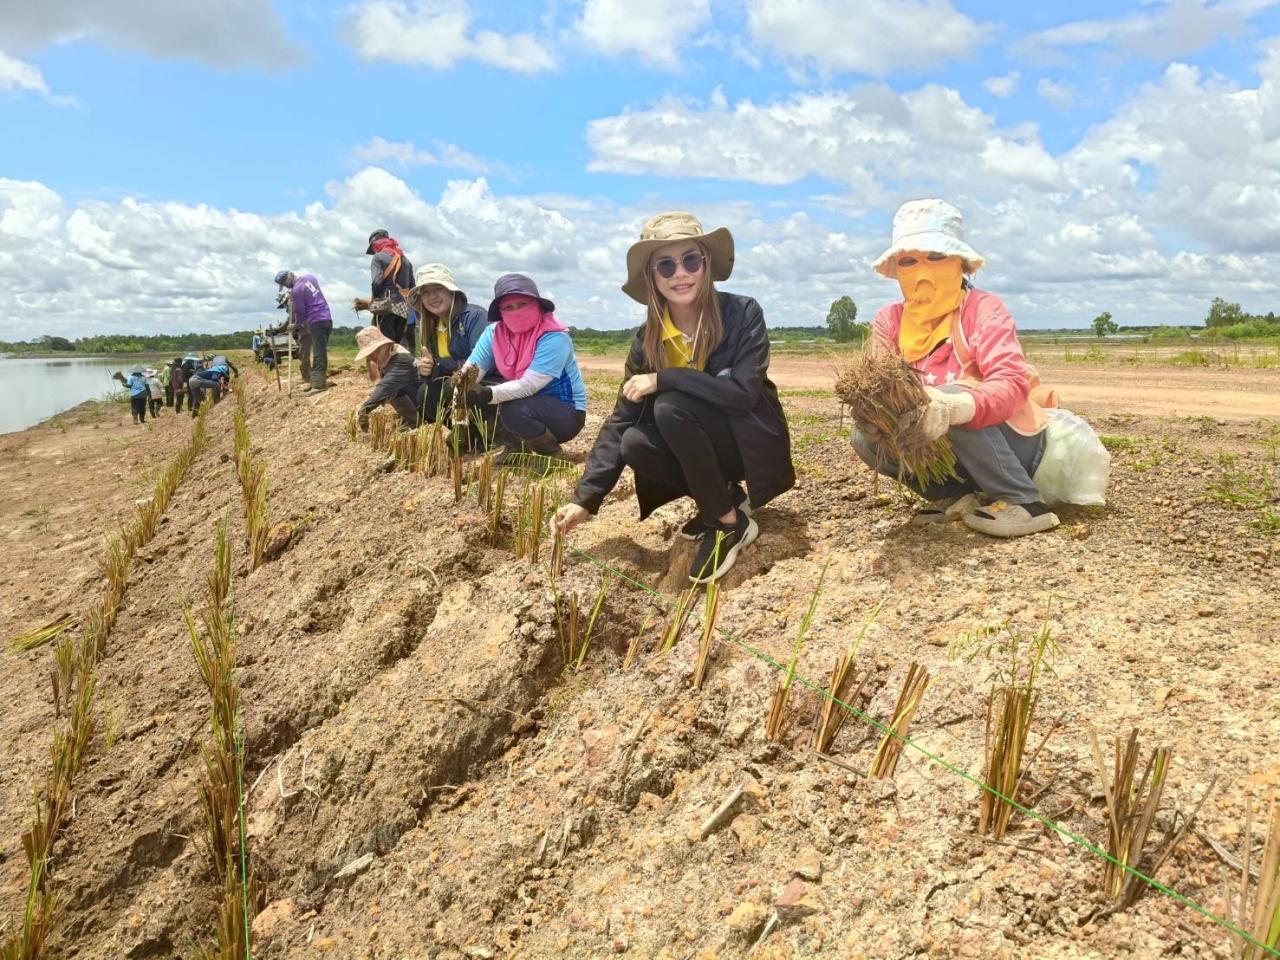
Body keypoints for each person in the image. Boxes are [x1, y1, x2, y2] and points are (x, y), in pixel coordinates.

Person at [552, 213, 794, 584]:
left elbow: (742, 395)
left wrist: (665, 378)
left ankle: (729, 524)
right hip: (698, 444)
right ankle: (725, 498)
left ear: (706, 264)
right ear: (651, 277)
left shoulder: (743, 313)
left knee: (670, 405)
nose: (680, 273)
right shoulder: (646, 340)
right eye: (666, 265)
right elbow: (621, 420)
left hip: (747, 443)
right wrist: (585, 499)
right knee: (634, 442)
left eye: (690, 260)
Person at [851, 198, 1060, 538]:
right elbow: (879, 384)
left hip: (1011, 444)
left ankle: (1023, 500)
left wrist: (955, 406)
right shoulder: (890, 320)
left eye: (936, 257)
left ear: (959, 263)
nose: (922, 271)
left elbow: (1011, 382)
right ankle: (953, 496)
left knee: (947, 396)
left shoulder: (983, 309)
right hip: (948, 450)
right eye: (908, 261)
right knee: (864, 435)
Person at [455, 273, 586, 463]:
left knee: (511, 407)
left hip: (566, 412)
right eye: (508, 307)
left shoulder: (554, 337)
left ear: (537, 304)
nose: (516, 311)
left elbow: (529, 385)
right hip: (528, 400)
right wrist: (461, 387)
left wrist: (487, 394)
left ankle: (551, 455)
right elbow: (472, 369)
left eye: (522, 304)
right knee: (471, 388)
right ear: (500, 311)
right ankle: (514, 447)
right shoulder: (494, 333)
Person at [405, 263, 489, 424]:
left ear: (451, 291)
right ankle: (465, 434)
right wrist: (428, 370)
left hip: (483, 382)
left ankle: (484, 433)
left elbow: (479, 365)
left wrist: (442, 366)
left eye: (438, 289)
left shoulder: (475, 317)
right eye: (426, 292)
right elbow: (439, 372)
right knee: (426, 393)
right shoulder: (430, 327)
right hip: (456, 384)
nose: (432, 297)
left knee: (455, 388)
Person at [354, 326, 422, 431]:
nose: (372, 357)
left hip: (424, 400)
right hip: (416, 394)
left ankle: (415, 420)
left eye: (374, 351)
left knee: (391, 390)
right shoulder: (389, 355)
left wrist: (365, 409)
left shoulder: (401, 359)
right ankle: (409, 417)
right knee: (388, 390)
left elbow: (386, 386)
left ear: (384, 345)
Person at [275, 270, 334, 392]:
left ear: (289, 277)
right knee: (320, 351)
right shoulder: (311, 277)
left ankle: (318, 385)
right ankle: (316, 381)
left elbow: (300, 312)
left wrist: (295, 325)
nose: (287, 286)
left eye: (285, 284)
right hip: (326, 317)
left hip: (316, 320)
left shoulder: (296, 290)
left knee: (318, 353)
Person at [366, 229, 416, 350]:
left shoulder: (378, 258)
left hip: (386, 306)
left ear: (374, 244)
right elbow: (413, 286)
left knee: (384, 343)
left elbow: (377, 283)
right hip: (403, 308)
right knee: (398, 343)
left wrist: (374, 301)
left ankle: (387, 368)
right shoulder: (405, 260)